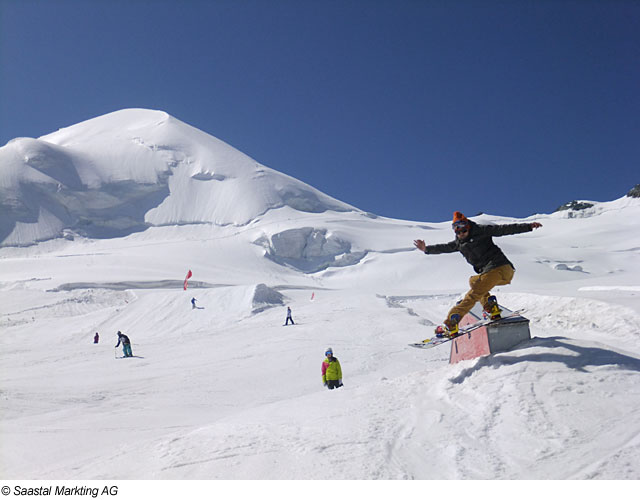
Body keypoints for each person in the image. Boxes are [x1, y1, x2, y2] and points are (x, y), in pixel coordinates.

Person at [414, 211, 542, 338]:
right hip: (496, 274)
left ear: (468, 227)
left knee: (472, 295)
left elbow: (504, 229)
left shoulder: (481, 231)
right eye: (457, 231)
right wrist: (426, 249)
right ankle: (491, 309)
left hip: (498, 267)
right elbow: (444, 247)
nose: (461, 233)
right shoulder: (459, 244)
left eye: (463, 230)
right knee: (473, 281)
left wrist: (528, 226)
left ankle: (450, 324)